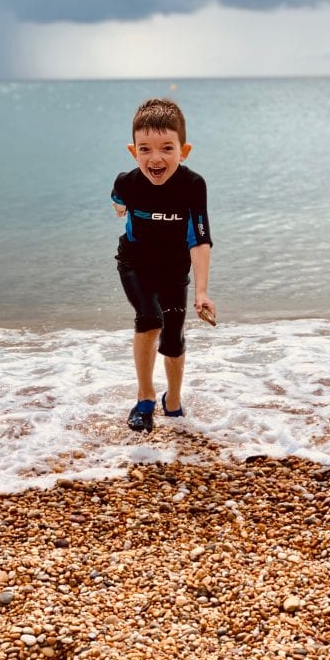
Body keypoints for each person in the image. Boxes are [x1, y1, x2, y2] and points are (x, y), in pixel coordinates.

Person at [111, 98, 215, 432]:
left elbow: (199, 239)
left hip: (174, 268)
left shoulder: (192, 186)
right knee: (149, 318)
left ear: (184, 151)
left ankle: (173, 400)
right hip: (134, 261)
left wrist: (201, 292)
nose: (156, 158)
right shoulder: (126, 183)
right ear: (133, 151)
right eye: (145, 150)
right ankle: (145, 398)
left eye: (167, 148)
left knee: (173, 338)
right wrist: (119, 207)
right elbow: (117, 197)